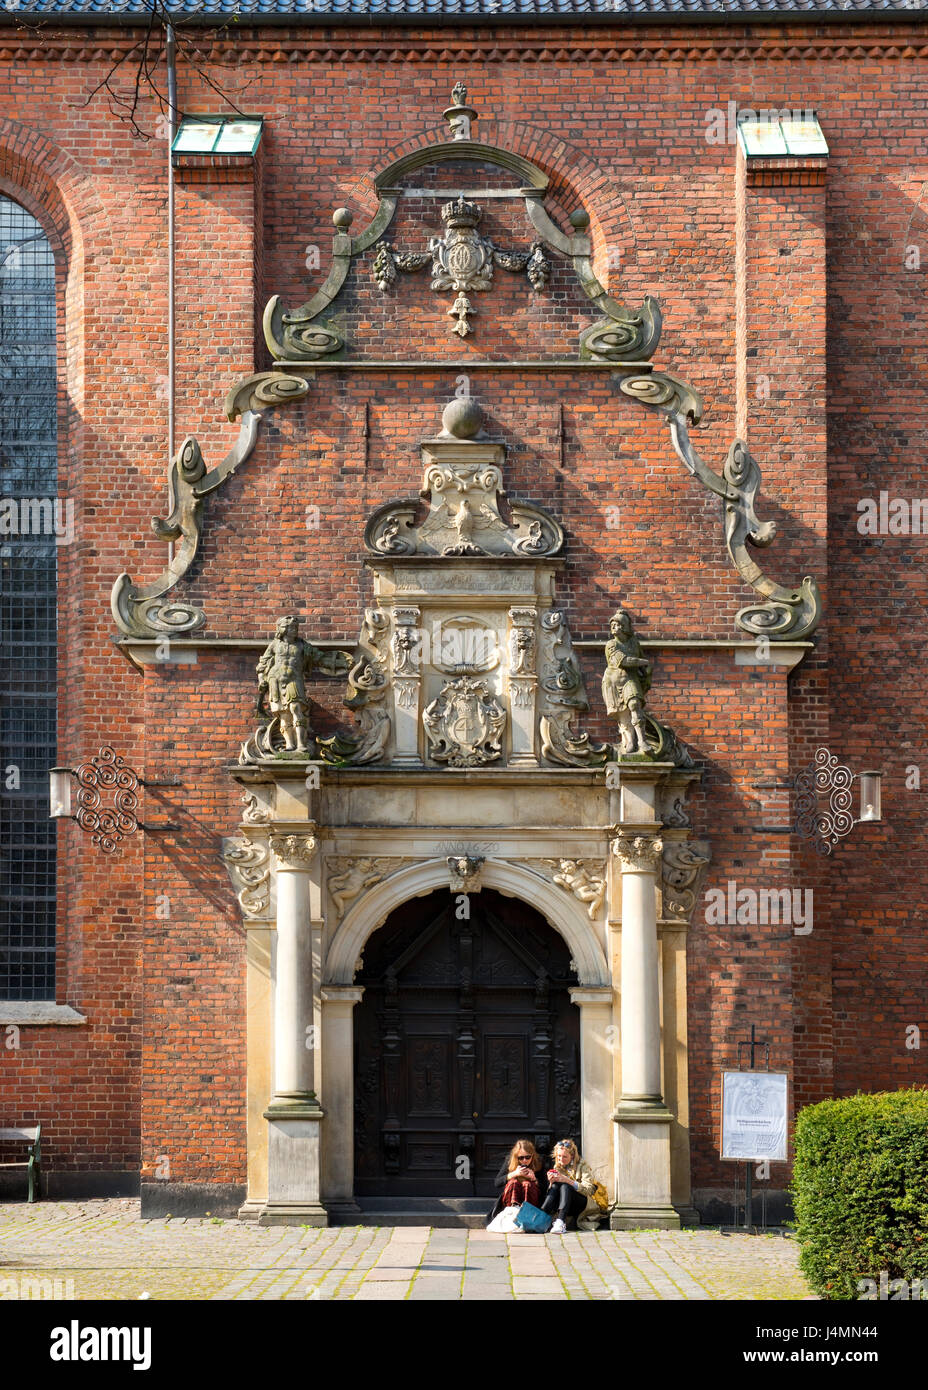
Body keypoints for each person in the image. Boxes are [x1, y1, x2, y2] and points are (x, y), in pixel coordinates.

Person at [540, 1138, 600, 1234]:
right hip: (565, 1202)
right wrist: (551, 1182)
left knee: (565, 1186)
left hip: (581, 1203)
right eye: (559, 1156)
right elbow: (555, 1191)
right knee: (555, 1186)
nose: (561, 1159)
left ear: (572, 1156)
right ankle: (541, 1215)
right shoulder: (557, 1166)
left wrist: (567, 1180)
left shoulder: (582, 1166)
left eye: (564, 1157)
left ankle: (560, 1222)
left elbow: (589, 1190)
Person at [486, 1139, 548, 1226]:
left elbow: (546, 1187)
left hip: (532, 1200)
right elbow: (497, 1182)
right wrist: (514, 1174)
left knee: (527, 1184)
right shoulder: (510, 1161)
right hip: (512, 1198)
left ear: (533, 1155)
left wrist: (534, 1179)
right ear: (516, 1157)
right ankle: (512, 1213)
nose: (524, 1160)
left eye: (527, 1157)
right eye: (521, 1158)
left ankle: (527, 1215)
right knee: (513, 1182)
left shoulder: (539, 1162)